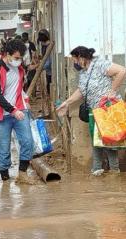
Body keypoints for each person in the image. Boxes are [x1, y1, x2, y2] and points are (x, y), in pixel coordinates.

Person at [56, 46, 126, 175]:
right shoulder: (83, 72)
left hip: (107, 110)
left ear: (82, 58)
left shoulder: (100, 64)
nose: (74, 63)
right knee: (96, 141)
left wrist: (112, 91)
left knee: (109, 141)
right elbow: (81, 92)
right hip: (95, 111)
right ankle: (97, 170)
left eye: (75, 60)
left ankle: (114, 171)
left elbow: (122, 71)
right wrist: (66, 103)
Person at [0, 39, 36, 184]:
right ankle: (5, 180)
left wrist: (25, 101)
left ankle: (22, 174)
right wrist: (13, 110)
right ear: (7, 54)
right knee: (4, 149)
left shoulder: (20, 69)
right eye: (16, 58)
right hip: (2, 115)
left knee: (28, 142)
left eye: (21, 58)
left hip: (20, 111)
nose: (19, 61)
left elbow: (19, 89)